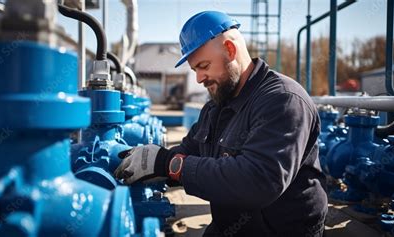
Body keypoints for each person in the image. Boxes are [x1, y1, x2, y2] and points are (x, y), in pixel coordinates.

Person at [114, 11, 327, 237]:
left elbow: (259, 181)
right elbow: (189, 151)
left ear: (230, 50)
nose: (199, 78)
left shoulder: (283, 100)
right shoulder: (216, 105)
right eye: (195, 69)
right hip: (227, 227)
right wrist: (149, 162)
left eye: (204, 66)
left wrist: (169, 164)